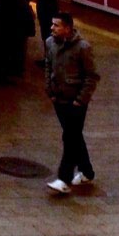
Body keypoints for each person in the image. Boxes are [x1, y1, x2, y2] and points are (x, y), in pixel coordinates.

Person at [43, 12, 99, 194]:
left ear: (67, 28)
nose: (52, 28)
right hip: (58, 99)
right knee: (74, 136)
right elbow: (48, 66)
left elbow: (91, 76)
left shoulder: (82, 47)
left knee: (70, 138)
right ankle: (87, 171)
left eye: (56, 25)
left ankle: (64, 178)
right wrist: (50, 90)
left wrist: (80, 100)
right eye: (52, 25)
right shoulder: (50, 43)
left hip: (75, 102)